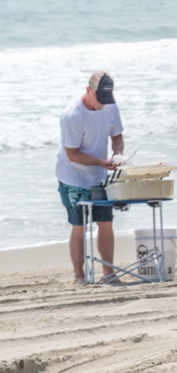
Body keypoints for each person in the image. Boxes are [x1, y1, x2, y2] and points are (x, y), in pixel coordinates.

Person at [57, 71, 124, 284]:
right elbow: (72, 154)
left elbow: (117, 136)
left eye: (107, 99)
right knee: (79, 226)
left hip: (99, 176)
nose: (103, 104)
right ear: (88, 90)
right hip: (72, 177)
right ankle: (80, 278)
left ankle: (109, 274)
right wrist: (100, 162)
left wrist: (117, 154)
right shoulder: (72, 116)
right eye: (99, 99)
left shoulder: (110, 106)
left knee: (105, 223)